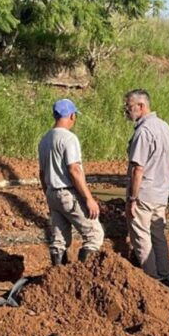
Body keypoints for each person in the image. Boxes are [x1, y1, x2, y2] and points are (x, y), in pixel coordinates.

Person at [37, 98, 104, 266]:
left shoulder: (44, 140)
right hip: (68, 193)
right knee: (94, 235)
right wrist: (88, 198)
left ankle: (57, 277)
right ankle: (83, 277)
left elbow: (42, 172)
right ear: (72, 116)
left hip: (52, 192)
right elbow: (74, 169)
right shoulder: (69, 138)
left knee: (58, 240)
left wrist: (49, 196)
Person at [123, 89, 169, 281]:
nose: (126, 111)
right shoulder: (164, 127)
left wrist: (132, 199)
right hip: (161, 192)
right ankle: (164, 274)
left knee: (141, 237)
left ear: (141, 106)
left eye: (129, 107)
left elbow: (138, 168)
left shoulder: (143, 132)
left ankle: (152, 279)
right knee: (158, 235)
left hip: (144, 193)